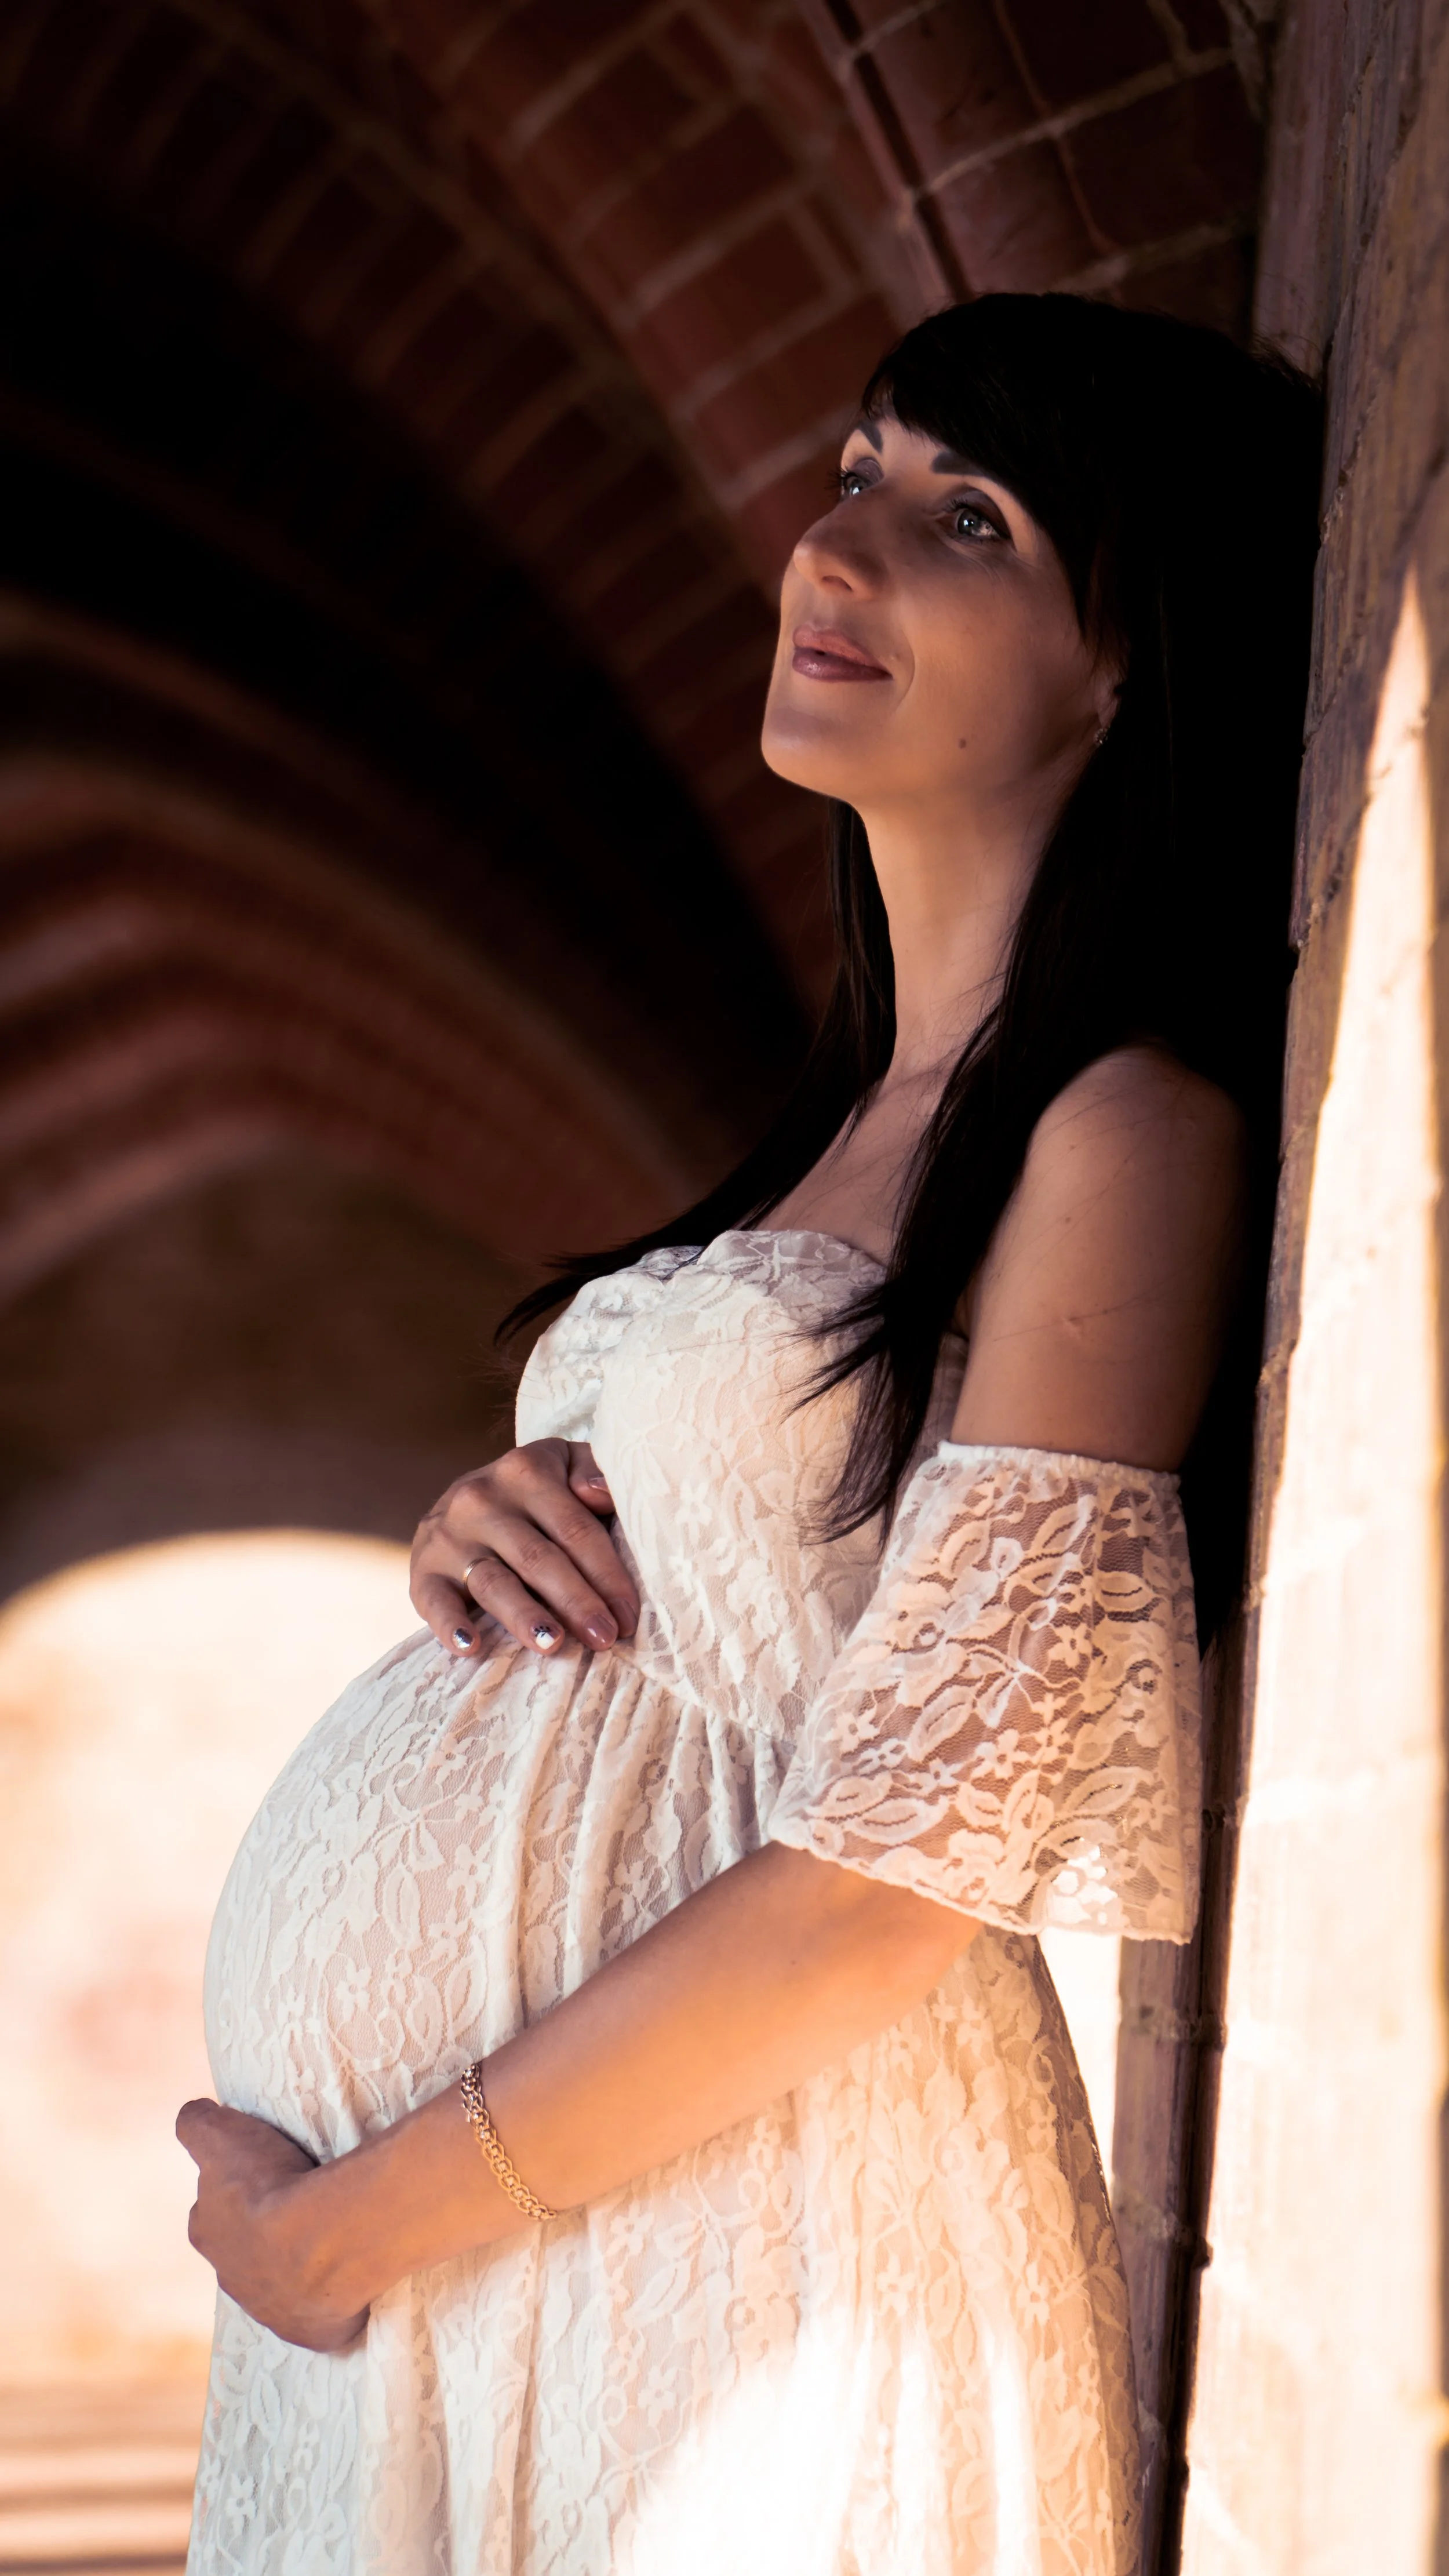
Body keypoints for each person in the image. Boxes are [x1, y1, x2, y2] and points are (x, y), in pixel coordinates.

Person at [178, 294, 1318, 2575]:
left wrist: (354, 2222)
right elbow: (748, 1579)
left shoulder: (1112, 1132)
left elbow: (901, 1875)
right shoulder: (847, 1126)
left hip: (750, 2241)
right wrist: (491, 1529)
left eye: (968, 520)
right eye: (859, 471)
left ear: (1125, 666)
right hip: (510, 2262)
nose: (835, 548)